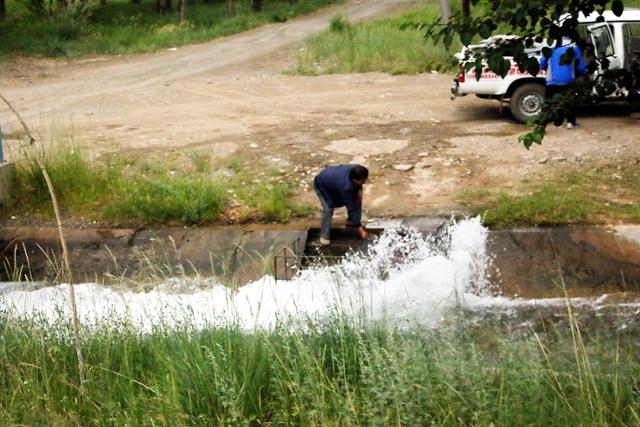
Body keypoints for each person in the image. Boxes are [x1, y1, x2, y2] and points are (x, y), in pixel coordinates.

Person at [313, 164, 369, 245]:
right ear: (354, 179)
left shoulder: (358, 169)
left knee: (357, 198)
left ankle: (351, 222)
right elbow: (351, 208)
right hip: (322, 186)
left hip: (334, 182)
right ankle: (324, 236)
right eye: (362, 181)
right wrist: (361, 231)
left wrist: (359, 190)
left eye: (364, 180)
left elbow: (359, 184)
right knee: (329, 208)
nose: (364, 182)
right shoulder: (346, 188)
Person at [539, 38, 587, 129]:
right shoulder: (573, 47)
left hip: (551, 81)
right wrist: (582, 73)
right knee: (568, 102)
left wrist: (546, 68)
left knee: (548, 105)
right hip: (568, 80)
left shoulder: (551, 45)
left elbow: (542, 63)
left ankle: (541, 126)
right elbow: (581, 67)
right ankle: (570, 122)